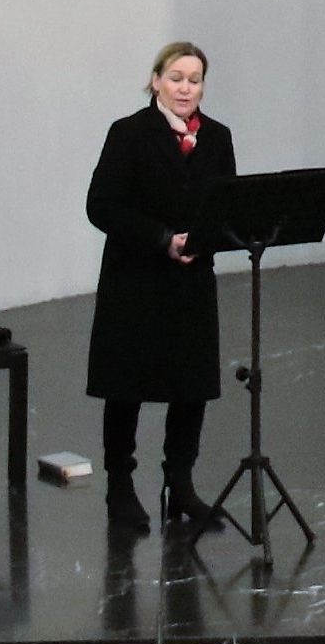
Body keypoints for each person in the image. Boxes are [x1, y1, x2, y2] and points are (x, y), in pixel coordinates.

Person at [83, 42, 238, 539]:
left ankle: (181, 483)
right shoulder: (128, 134)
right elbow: (101, 206)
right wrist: (161, 239)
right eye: (175, 78)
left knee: (189, 386)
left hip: (190, 281)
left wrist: (207, 238)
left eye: (194, 79)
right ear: (155, 81)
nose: (185, 88)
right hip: (137, 279)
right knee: (126, 386)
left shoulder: (217, 137)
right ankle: (120, 486)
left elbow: (225, 201)